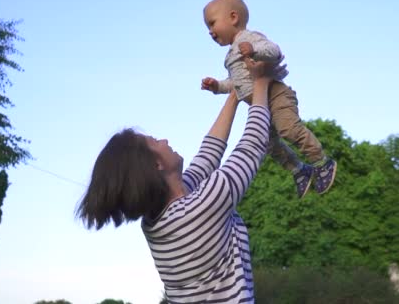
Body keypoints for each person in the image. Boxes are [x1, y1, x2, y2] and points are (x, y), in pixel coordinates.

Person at [76, 59, 276, 303]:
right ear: (155, 165)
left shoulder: (159, 221)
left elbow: (208, 155)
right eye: (155, 141)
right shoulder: (199, 210)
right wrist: (262, 82)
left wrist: (235, 93)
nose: (164, 140)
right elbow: (252, 146)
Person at [201, 0, 337, 198]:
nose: (210, 31)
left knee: (288, 129)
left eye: (212, 23)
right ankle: (300, 170)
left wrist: (254, 50)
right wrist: (217, 86)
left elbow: (274, 51)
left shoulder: (249, 38)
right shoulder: (229, 56)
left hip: (276, 95)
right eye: (207, 27)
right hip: (260, 106)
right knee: (267, 143)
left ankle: (322, 161)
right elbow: (236, 84)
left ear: (233, 18)